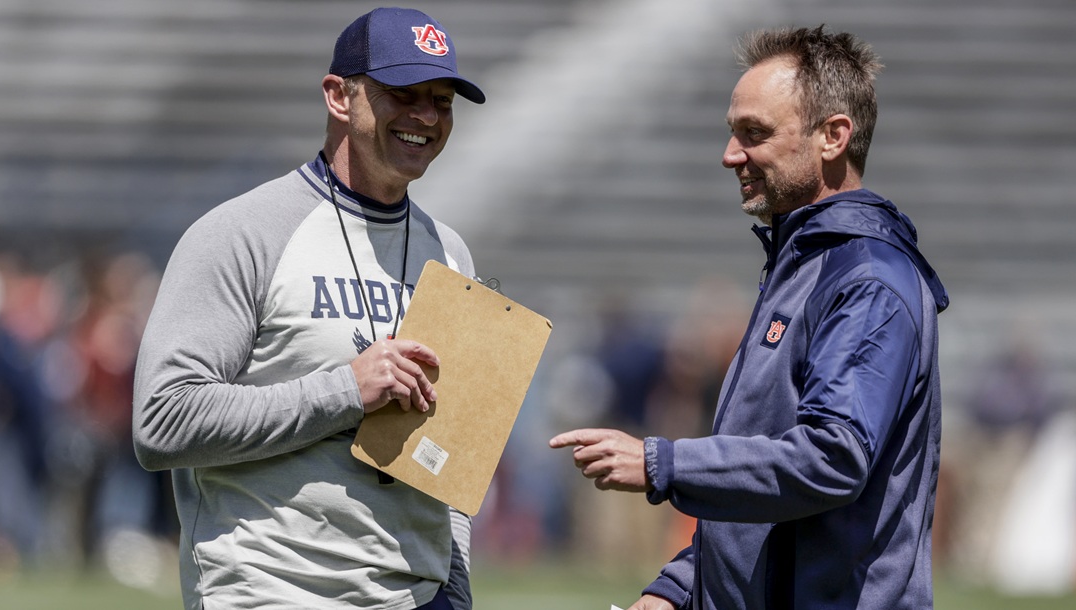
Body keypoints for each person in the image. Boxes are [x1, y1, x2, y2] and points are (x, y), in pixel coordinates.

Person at [550, 25, 949, 610]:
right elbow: (760, 487)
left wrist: (663, 462)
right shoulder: (799, 266)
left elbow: (831, 460)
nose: (730, 154)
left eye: (754, 134)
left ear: (833, 136)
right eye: (733, 132)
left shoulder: (866, 279)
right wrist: (677, 589)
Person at [132, 7, 485, 610]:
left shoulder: (450, 253)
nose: (426, 116)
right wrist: (346, 390)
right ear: (338, 97)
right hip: (272, 590)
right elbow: (162, 422)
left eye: (442, 100)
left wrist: (453, 586)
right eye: (403, 93)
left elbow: (450, 456)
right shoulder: (242, 233)